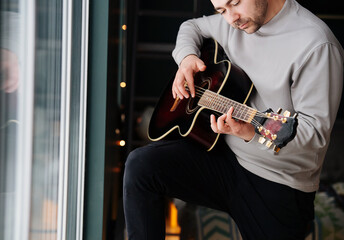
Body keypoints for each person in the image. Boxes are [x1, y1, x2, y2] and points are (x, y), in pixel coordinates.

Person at [123, 0, 344, 239]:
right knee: (142, 166)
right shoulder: (235, 21)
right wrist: (186, 57)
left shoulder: (316, 44)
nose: (230, 19)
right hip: (224, 157)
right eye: (221, 10)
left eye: (235, 3)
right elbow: (192, 27)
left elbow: (315, 137)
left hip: (280, 185)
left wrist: (249, 132)